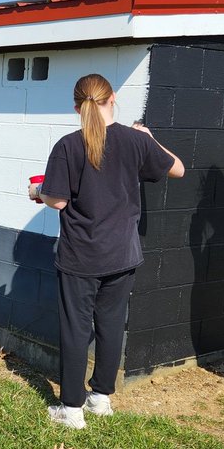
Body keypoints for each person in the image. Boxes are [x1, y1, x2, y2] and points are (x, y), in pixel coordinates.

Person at [32, 73, 185, 429]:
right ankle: (101, 398)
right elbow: (177, 169)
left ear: (76, 106)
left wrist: (36, 192)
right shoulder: (136, 141)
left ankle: (71, 409)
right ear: (112, 97)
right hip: (122, 254)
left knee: (75, 328)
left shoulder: (68, 146)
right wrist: (150, 139)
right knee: (111, 325)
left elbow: (55, 202)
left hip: (81, 255)